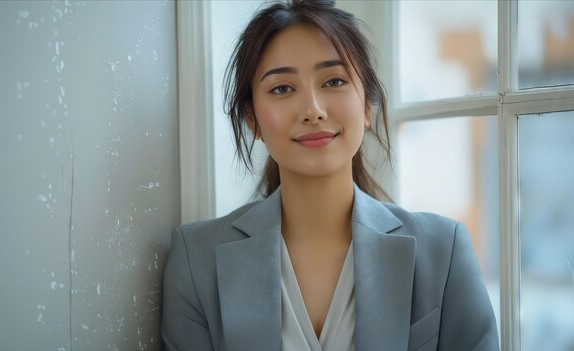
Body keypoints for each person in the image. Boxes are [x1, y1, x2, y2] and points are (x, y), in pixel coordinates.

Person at [161, 0, 499, 350]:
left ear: (366, 106)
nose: (313, 110)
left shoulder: (443, 251)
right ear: (252, 119)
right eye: (282, 88)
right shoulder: (196, 260)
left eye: (334, 81)